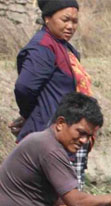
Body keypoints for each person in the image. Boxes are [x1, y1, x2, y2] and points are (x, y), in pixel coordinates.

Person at [0, 92, 111, 206]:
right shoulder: (49, 148)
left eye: (88, 136)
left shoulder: (43, 141)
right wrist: (109, 199)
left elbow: (63, 202)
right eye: (81, 133)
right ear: (60, 123)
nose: (84, 141)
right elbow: (76, 201)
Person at [12, 0, 94, 187]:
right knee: (58, 195)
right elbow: (25, 88)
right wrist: (29, 114)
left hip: (71, 132)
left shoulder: (64, 47)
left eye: (75, 21)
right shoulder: (43, 47)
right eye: (65, 20)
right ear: (47, 18)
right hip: (52, 134)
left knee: (69, 191)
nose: (70, 26)